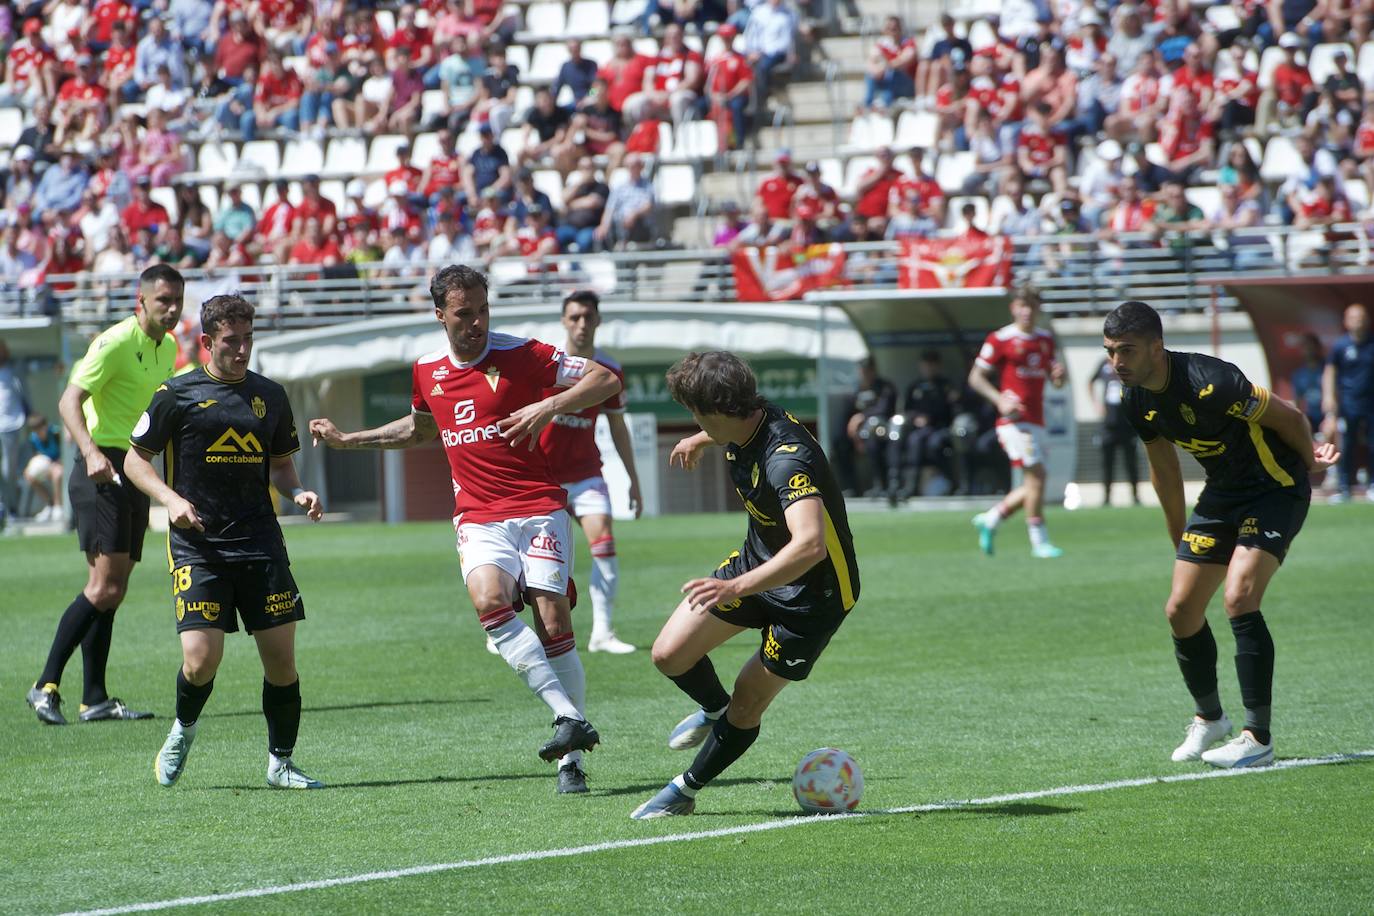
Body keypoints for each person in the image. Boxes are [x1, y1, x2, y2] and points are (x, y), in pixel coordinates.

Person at [308, 265, 621, 793]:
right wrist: (348, 439)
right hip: (477, 513)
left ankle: (572, 761)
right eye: (463, 313)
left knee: (551, 617)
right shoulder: (427, 370)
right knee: (488, 601)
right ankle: (567, 717)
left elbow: (606, 379)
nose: (476, 322)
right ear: (440, 315)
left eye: (482, 310)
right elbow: (419, 428)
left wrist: (548, 404)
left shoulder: (525, 354)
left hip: (539, 504)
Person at [1103, 300, 1337, 768]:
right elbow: (1164, 472)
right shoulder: (1136, 400)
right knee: (1181, 609)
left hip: (1275, 487)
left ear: (1156, 346)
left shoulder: (1211, 382)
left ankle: (1258, 737)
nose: (1117, 363)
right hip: (1221, 495)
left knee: (1239, 596)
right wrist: (1179, 540)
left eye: (1126, 351)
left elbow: (1288, 417)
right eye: (1110, 352)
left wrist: (1311, 460)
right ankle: (1210, 718)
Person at [630, 351, 859, 818]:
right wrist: (700, 439)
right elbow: (733, 430)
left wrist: (736, 589)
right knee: (669, 654)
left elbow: (811, 544)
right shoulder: (746, 415)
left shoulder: (784, 462)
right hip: (758, 563)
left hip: (815, 597)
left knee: (748, 699)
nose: (692, 420)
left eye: (696, 415)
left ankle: (685, 789)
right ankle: (712, 709)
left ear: (718, 411)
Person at [123, 294, 325, 789]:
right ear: (207, 342)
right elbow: (134, 461)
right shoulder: (177, 393)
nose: (241, 349)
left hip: (260, 541)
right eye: (231, 341)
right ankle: (182, 730)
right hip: (199, 544)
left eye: (248, 339)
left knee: (281, 661)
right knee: (200, 659)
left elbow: (280, 465)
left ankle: (280, 764)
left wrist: (297, 491)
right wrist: (170, 500)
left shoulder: (270, 396)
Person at [26, 265, 185, 726]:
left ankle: (94, 697)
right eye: (163, 301)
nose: (171, 309)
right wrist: (91, 452)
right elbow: (68, 400)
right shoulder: (114, 342)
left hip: (132, 468)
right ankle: (44, 685)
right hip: (100, 471)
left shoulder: (169, 347)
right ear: (142, 300)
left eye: (177, 300)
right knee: (102, 587)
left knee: (114, 591)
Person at [538, 290, 643, 654]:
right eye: (574, 317)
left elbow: (617, 427)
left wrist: (633, 479)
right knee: (532, 557)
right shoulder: (546, 363)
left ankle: (602, 632)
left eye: (588, 317)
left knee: (605, 543)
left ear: (598, 320)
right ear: (564, 321)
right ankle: (505, 629)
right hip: (543, 477)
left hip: (585, 474)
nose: (581, 324)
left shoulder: (610, 370)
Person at [969, 289, 1068, 558]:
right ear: (1014, 307)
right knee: (1037, 476)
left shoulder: (1045, 340)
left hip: (1037, 421)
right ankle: (1040, 542)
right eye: (1023, 305)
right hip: (1013, 422)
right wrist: (999, 399)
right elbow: (976, 377)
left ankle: (991, 519)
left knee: (1033, 484)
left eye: (1033, 305)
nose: (1027, 311)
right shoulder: (1001, 338)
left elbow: (1057, 381)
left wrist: (1059, 376)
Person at [1322, 303, 1374, 502]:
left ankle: (1372, 484)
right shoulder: (1340, 346)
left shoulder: (1372, 343)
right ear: (1346, 321)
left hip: (1371, 403)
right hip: (1348, 404)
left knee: (1372, 444)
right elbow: (1330, 371)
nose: (1358, 321)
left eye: (1361, 317)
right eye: (1353, 317)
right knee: (1347, 444)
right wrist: (1329, 397)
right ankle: (1345, 487)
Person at [1090, 356, 1140, 506]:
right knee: (1107, 462)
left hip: (1127, 424)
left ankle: (1135, 495)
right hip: (1108, 424)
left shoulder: (1129, 364)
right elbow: (1090, 382)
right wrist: (1096, 404)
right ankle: (1106, 496)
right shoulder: (1103, 365)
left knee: (1131, 461)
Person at [0, 338, 27, 518]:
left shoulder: (13, 370)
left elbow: (25, 393)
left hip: (10, 425)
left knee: (9, 469)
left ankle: (11, 508)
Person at [24, 414, 64, 521]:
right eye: (35, 431)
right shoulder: (33, 439)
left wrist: (57, 462)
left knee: (57, 473)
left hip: (59, 465)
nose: (38, 433)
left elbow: (65, 454)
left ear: (45, 426)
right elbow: (37, 456)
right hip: (47, 466)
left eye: (40, 429)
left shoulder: (56, 433)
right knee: (28, 475)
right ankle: (49, 503)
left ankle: (58, 506)